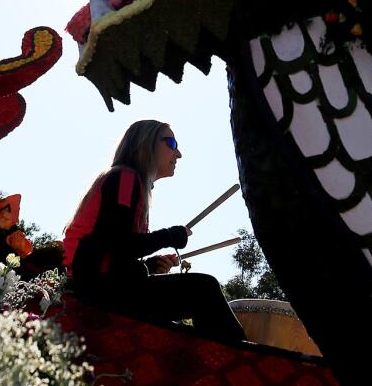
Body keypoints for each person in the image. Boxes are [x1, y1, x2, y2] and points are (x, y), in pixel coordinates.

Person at [63, 119, 246, 342]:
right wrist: (169, 236)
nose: (178, 154)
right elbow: (117, 243)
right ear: (145, 143)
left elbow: (113, 250)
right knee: (203, 290)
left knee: (199, 292)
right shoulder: (125, 178)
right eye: (171, 143)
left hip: (102, 285)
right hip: (95, 290)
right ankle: (237, 357)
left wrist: (148, 266)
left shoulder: (128, 181)